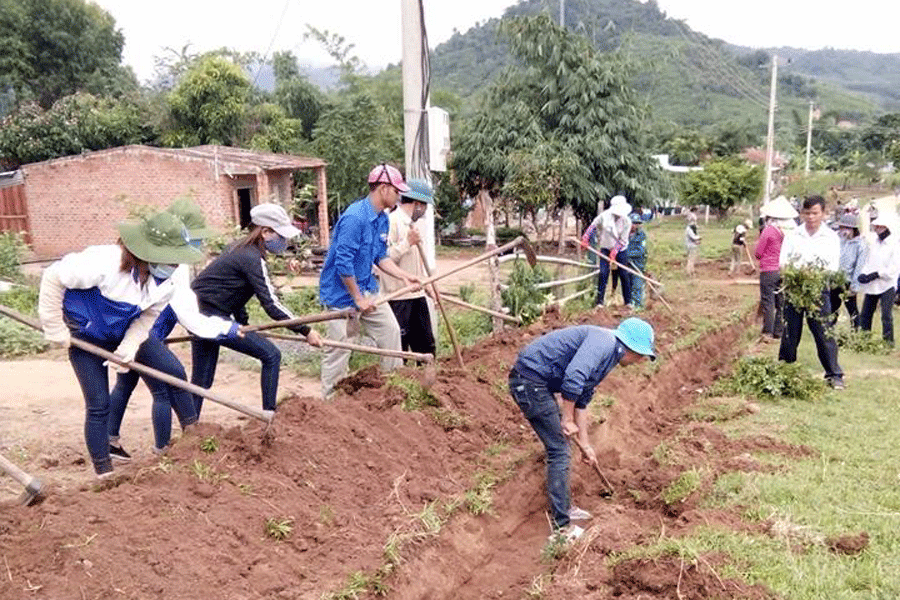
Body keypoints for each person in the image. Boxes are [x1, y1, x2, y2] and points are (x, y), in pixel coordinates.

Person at [38, 211, 205, 478]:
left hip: (124, 331)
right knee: (98, 403)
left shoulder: (166, 280)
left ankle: (196, 437)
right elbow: (53, 277)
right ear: (150, 252)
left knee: (174, 371)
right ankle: (104, 471)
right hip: (86, 335)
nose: (176, 266)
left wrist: (128, 347)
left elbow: (148, 317)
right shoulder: (104, 261)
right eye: (172, 259)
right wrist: (54, 327)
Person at [106, 200, 241, 461]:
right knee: (164, 388)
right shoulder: (171, 263)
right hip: (147, 334)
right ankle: (163, 449)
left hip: (135, 332)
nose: (199, 245)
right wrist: (227, 328)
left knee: (126, 382)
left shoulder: (170, 262)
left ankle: (110, 440)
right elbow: (190, 316)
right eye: (196, 239)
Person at [508, 318, 656, 541]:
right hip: (528, 381)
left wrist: (586, 444)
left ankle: (565, 507)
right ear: (632, 348)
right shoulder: (604, 343)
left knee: (564, 447)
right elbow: (574, 377)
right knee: (559, 450)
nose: (640, 360)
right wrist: (567, 419)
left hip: (539, 383)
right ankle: (562, 528)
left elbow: (583, 398)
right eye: (641, 355)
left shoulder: (610, 354)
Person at [190, 203, 323, 416]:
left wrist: (243, 324)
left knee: (201, 380)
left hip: (198, 311)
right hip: (209, 315)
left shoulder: (237, 247)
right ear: (265, 232)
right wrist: (306, 330)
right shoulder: (251, 258)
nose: (285, 242)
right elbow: (271, 304)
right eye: (281, 235)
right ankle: (269, 415)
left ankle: (190, 425)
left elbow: (234, 293)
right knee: (271, 355)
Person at [318, 163, 422, 399]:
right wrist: (357, 298)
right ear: (384, 188)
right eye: (397, 191)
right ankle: (329, 404)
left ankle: (393, 389)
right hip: (341, 297)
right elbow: (343, 263)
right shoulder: (355, 218)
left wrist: (404, 276)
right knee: (340, 349)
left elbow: (380, 256)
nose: (400, 196)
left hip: (368, 288)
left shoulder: (382, 219)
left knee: (391, 332)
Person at [778, 195, 844, 389]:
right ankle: (785, 369)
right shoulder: (793, 235)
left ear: (823, 213)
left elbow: (832, 266)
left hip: (817, 289)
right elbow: (783, 261)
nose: (811, 217)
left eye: (815, 213)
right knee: (791, 331)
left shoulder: (830, 237)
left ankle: (834, 374)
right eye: (807, 213)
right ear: (801, 213)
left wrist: (812, 274)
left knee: (823, 332)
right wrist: (795, 274)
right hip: (795, 289)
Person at [383, 179, 436, 358]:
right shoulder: (391, 222)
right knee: (400, 349)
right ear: (417, 204)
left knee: (427, 347)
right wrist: (407, 243)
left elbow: (416, 261)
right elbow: (383, 258)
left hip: (417, 295)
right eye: (425, 206)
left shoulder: (414, 226)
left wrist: (427, 284)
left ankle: (428, 382)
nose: (425, 210)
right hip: (398, 297)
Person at [755, 197, 797, 341]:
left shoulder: (769, 231)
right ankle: (779, 331)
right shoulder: (790, 232)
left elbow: (759, 252)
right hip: (784, 270)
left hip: (768, 270)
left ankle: (768, 331)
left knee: (768, 301)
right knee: (781, 302)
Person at [581, 195, 632, 306]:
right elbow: (592, 226)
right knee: (603, 273)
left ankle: (628, 302)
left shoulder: (627, 221)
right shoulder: (604, 216)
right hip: (605, 247)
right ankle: (599, 302)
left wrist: (614, 253)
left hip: (621, 249)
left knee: (623, 274)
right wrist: (585, 238)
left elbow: (623, 240)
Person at [857, 214, 900, 345]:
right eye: (877, 226)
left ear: (887, 228)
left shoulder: (894, 244)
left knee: (886, 315)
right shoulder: (874, 243)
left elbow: (894, 268)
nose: (878, 229)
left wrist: (877, 274)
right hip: (872, 285)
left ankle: (888, 342)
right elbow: (868, 261)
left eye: (881, 227)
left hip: (887, 284)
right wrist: (863, 273)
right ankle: (864, 340)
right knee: (865, 314)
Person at [831, 213, 865, 330]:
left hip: (848, 281)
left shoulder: (860, 245)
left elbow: (859, 267)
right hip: (835, 280)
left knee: (851, 308)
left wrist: (855, 286)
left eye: (846, 228)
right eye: (842, 228)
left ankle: (856, 330)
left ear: (853, 229)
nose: (843, 231)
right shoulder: (838, 240)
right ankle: (830, 330)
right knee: (832, 307)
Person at [624, 213, 648, 308]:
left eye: (637, 223)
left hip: (637, 265)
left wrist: (627, 255)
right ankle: (630, 305)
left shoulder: (641, 235)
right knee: (627, 286)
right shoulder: (624, 234)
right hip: (626, 265)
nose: (634, 225)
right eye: (633, 223)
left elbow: (641, 251)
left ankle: (638, 306)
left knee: (637, 286)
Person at [684, 211, 701, 276]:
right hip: (691, 246)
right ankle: (689, 272)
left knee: (691, 260)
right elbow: (693, 237)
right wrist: (698, 238)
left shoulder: (689, 228)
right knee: (691, 260)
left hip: (691, 245)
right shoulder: (690, 229)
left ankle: (692, 271)